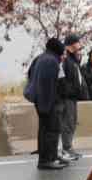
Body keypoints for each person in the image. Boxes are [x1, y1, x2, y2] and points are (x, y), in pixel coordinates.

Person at [25, 37, 65, 170]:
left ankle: (49, 156)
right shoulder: (51, 61)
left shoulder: (41, 57)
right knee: (51, 130)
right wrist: (47, 105)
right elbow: (48, 85)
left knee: (45, 130)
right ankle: (47, 160)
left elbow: (30, 74)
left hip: (41, 100)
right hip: (48, 102)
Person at [57, 33, 87, 161]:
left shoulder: (73, 59)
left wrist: (78, 57)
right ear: (71, 44)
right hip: (66, 97)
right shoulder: (65, 59)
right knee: (68, 123)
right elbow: (62, 78)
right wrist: (68, 91)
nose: (80, 45)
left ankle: (68, 148)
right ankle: (66, 149)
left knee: (72, 123)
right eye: (78, 43)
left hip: (72, 97)